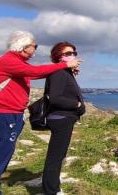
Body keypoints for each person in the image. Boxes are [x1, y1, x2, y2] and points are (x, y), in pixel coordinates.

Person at [0, 31, 81, 195]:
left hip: (12, 114)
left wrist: (67, 72)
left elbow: (37, 72)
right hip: (4, 115)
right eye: (35, 46)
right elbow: (36, 72)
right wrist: (64, 66)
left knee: (3, 155)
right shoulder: (9, 61)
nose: (35, 49)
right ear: (24, 47)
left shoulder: (17, 62)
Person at [41, 41, 86, 195]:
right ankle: (51, 190)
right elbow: (55, 98)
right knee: (55, 157)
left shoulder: (65, 72)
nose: (72, 56)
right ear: (58, 57)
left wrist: (71, 73)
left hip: (63, 119)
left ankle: (53, 187)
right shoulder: (59, 73)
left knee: (58, 156)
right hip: (61, 119)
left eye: (73, 53)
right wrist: (77, 104)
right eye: (67, 54)